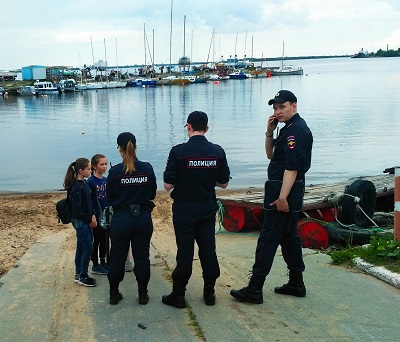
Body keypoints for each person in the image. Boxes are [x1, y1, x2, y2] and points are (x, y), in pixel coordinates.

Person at [230, 90, 313, 304]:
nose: (278, 111)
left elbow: (292, 168)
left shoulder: (295, 131)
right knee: (289, 238)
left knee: (267, 239)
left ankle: (254, 288)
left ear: (294, 105)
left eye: (282, 107)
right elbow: (271, 155)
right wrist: (269, 132)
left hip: (282, 192)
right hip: (286, 190)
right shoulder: (288, 129)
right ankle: (296, 282)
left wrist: (283, 197)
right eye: (275, 108)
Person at [162, 111, 230, 308]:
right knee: (208, 250)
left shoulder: (178, 152)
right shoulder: (217, 151)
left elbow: (167, 185)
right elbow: (224, 183)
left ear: (188, 127)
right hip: (207, 207)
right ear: (206, 128)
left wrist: (186, 175)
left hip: (184, 208)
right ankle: (209, 292)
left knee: (185, 252)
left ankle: (178, 294)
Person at [106, 132, 157, 305]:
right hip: (142, 218)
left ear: (119, 148)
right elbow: (152, 193)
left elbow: (110, 197)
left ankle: (114, 294)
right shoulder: (147, 168)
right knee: (142, 257)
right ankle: (143, 294)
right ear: (135, 146)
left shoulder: (114, 172)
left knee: (117, 257)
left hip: (121, 218)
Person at [63, 158, 97, 287]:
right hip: (80, 221)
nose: (90, 171)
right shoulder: (76, 187)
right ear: (81, 171)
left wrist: (92, 214)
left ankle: (79, 274)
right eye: (88, 169)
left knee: (82, 246)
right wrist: (89, 220)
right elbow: (77, 210)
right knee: (88, 246)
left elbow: (88, 202)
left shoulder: (84, 183)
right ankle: (83, 275)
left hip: (85, 219)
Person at [87, 154, 109, 275]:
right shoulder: (91, 181)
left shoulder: (105, 180)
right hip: (96, 215)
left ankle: (103, 261)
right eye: (102, 164)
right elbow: (89, 200)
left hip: (106, 215)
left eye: (106, 164)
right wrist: (92, 215)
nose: (104, 166)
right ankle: (95, 264)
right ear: (94, 166)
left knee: (105, 240)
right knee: (97, 240)